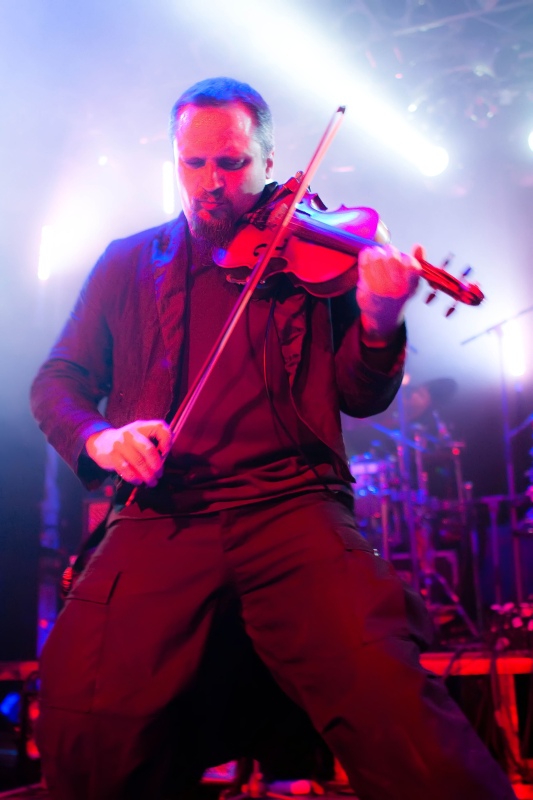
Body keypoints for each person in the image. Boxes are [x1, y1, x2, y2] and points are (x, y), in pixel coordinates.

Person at [31, 77, 517, 800]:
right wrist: (101, 439)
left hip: (293, 506)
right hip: (167, 512)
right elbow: (58, 383)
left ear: (266, 161)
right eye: (193, 165)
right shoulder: (129, 264)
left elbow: (359, 393)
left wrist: (380, 319)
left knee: (385, 691)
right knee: (84, 706)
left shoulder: (315, 255)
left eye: (229, 164)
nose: (210, 184)